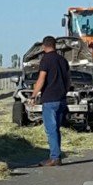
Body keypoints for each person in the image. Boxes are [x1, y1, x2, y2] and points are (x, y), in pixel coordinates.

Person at [29, 36, 71, 167]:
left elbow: (41, 79)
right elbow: (68, 79)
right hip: (61, 99)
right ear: (55, 45)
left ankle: (54, 158)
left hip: (50, 99)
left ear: (43, 46)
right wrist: (65, 92)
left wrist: (34, 95)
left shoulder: (45, 60)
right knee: (56, 129)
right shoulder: (63, 60)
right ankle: (56, 155)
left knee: (51, 129)